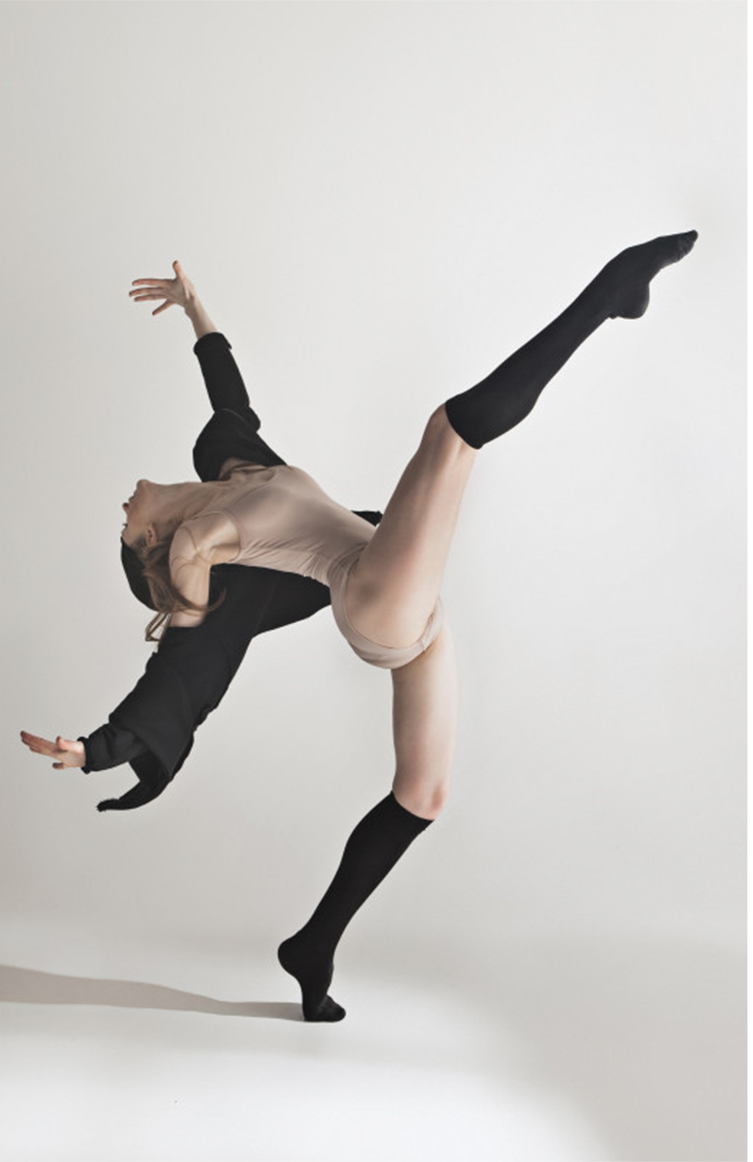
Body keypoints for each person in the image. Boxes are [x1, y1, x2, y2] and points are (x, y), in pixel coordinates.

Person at [21, 230, 698, 1022]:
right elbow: (184, 663)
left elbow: (229, 399)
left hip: (410, 612)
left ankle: (312, 946)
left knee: (423, 794)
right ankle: (611, 292)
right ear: (151, 542)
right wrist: (98, 748)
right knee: (450, 434)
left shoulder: (233, 467)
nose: (122, 505)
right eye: (126, 526)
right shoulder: (199, 546)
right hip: (373, 598)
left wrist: (196, 313)